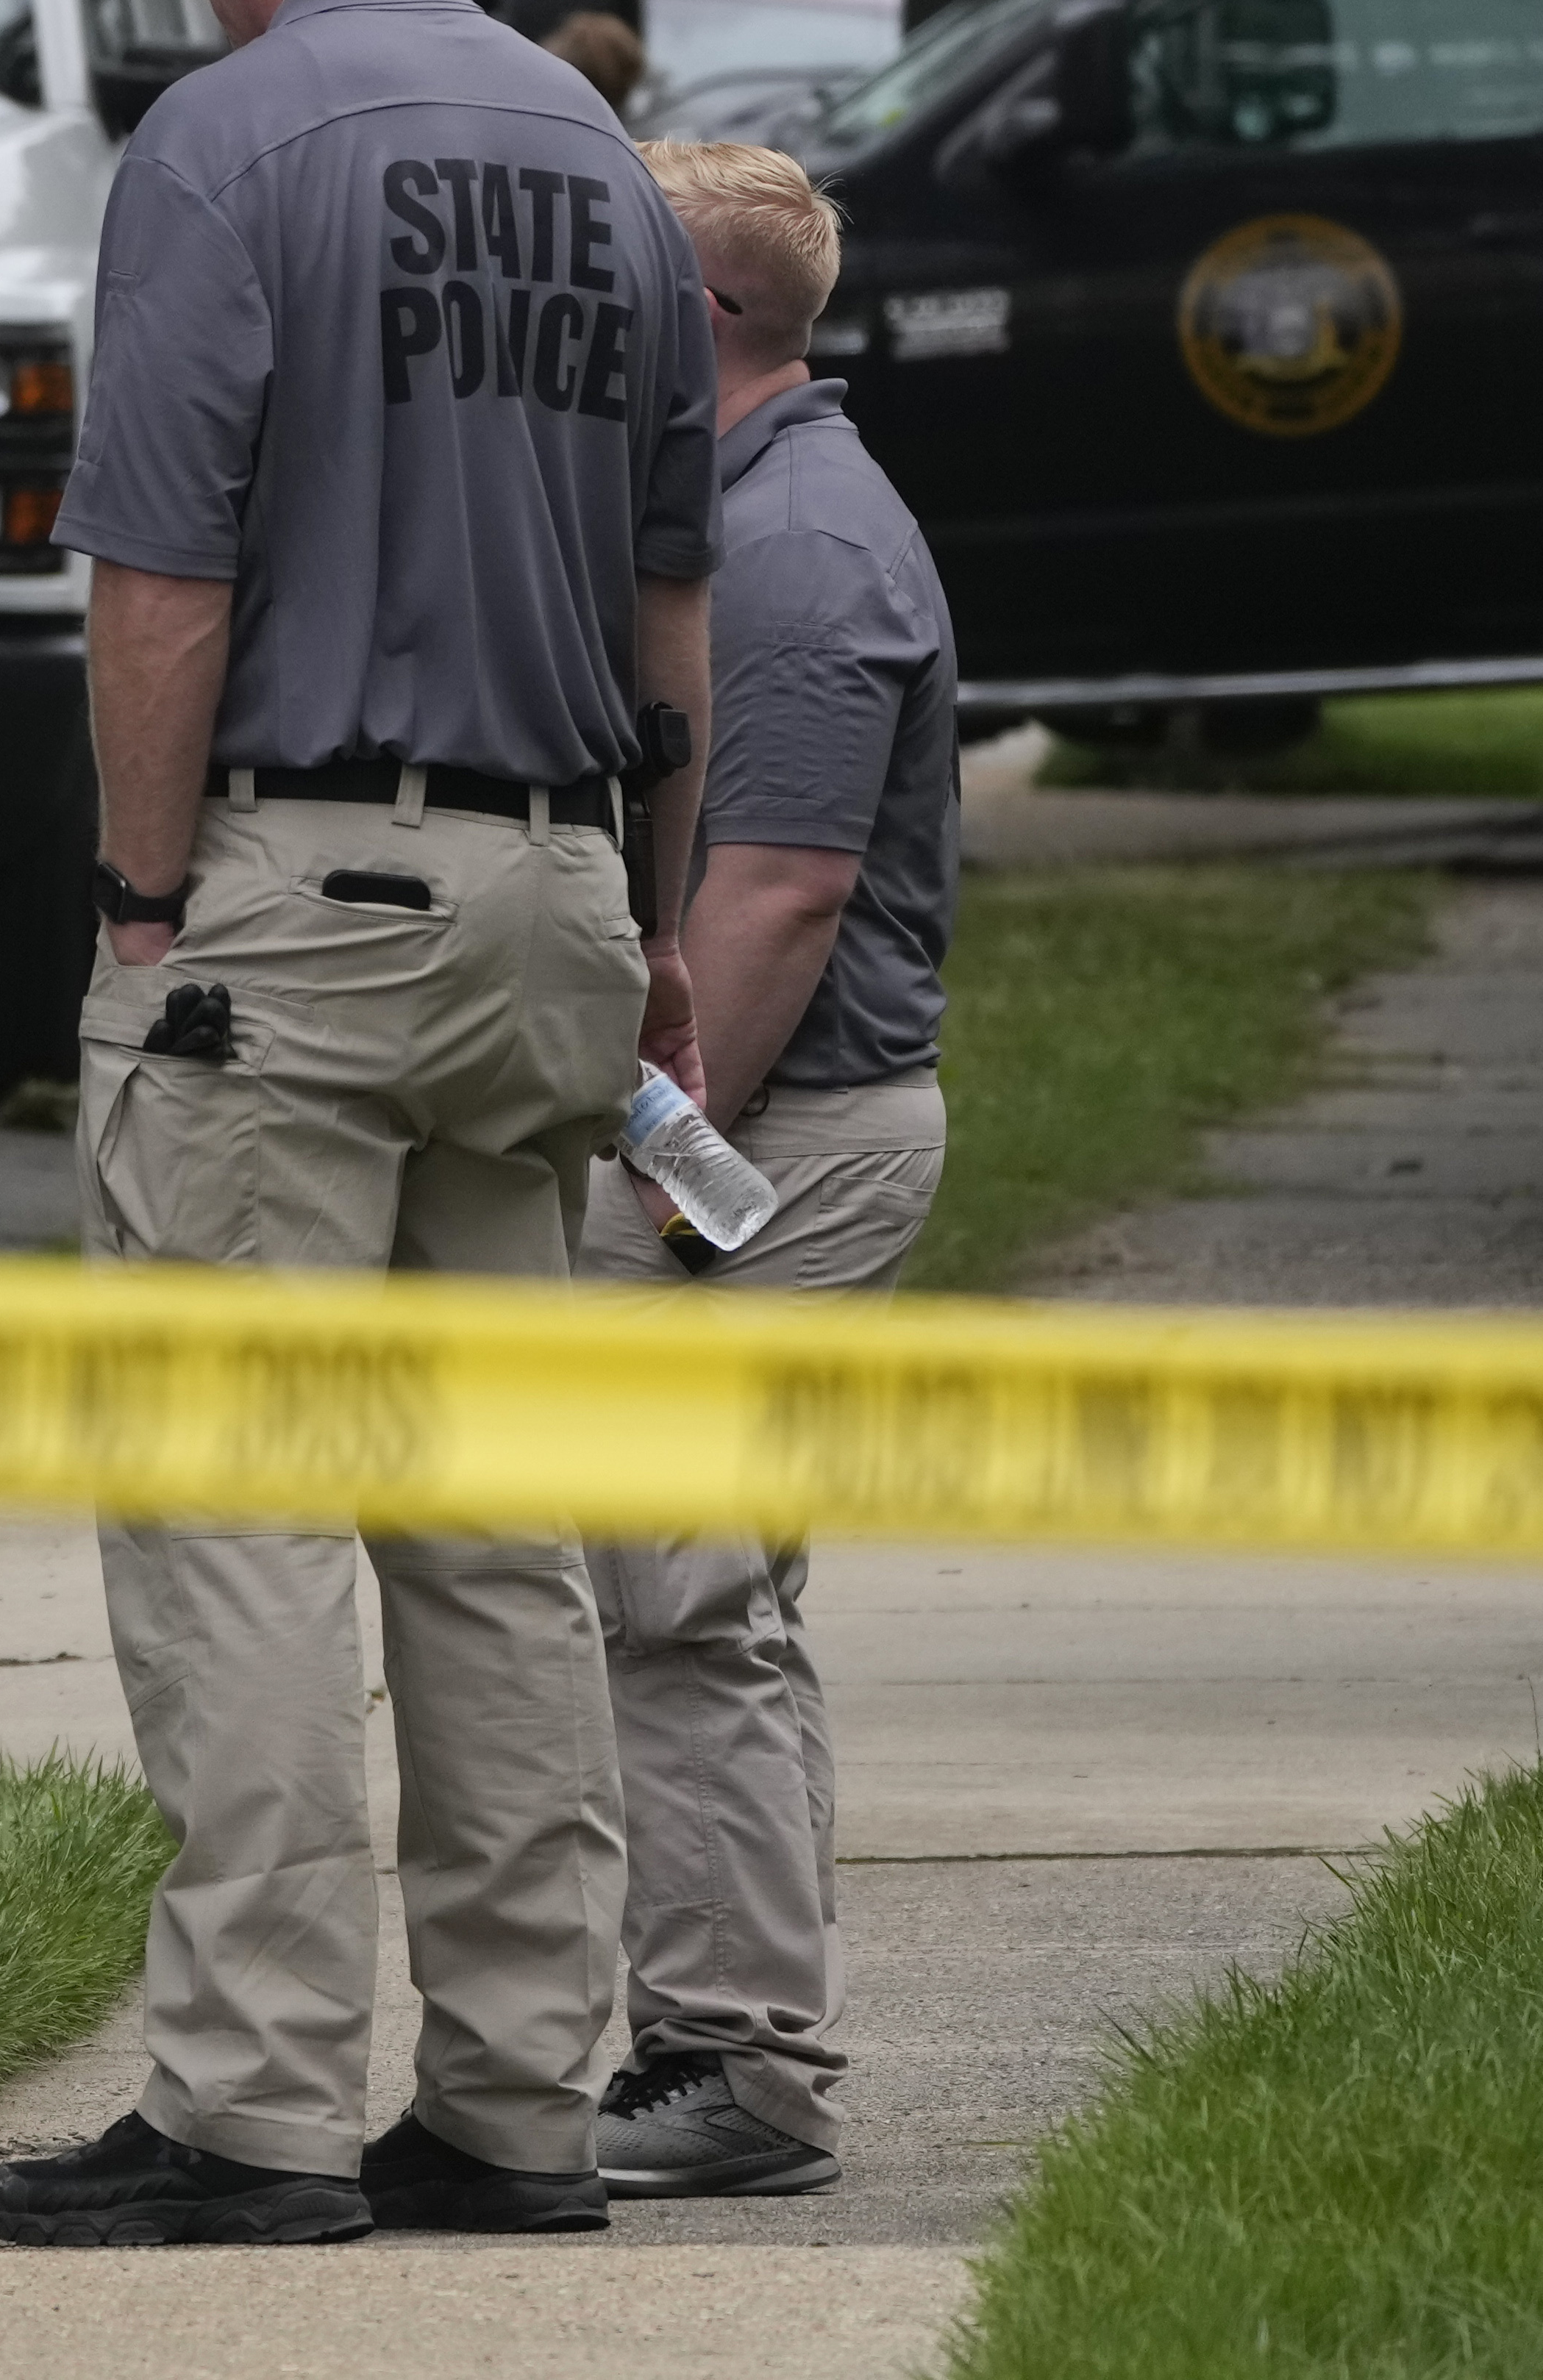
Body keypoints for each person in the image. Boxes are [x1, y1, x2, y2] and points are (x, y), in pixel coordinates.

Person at [0, 0, 719, 2254]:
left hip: (302, 894)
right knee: (488, 1529)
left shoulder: (227, 142)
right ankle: (523, 2096)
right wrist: (666, 930)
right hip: (558, 893)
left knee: (248, 1513)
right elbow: (672, 608)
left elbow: (161, 581)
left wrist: (143, 904)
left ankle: (259, 2103)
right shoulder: (608, 168)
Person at [584, 138, 960, 2201]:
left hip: (772, 1137)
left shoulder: (800, 546)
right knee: (704, 1597)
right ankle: (717, 2038)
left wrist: (658, 1152)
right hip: (759, 1125)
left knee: (689, 1599)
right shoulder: (745, 507)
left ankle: (735, 2065)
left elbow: (783, 889)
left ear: (693, 317)